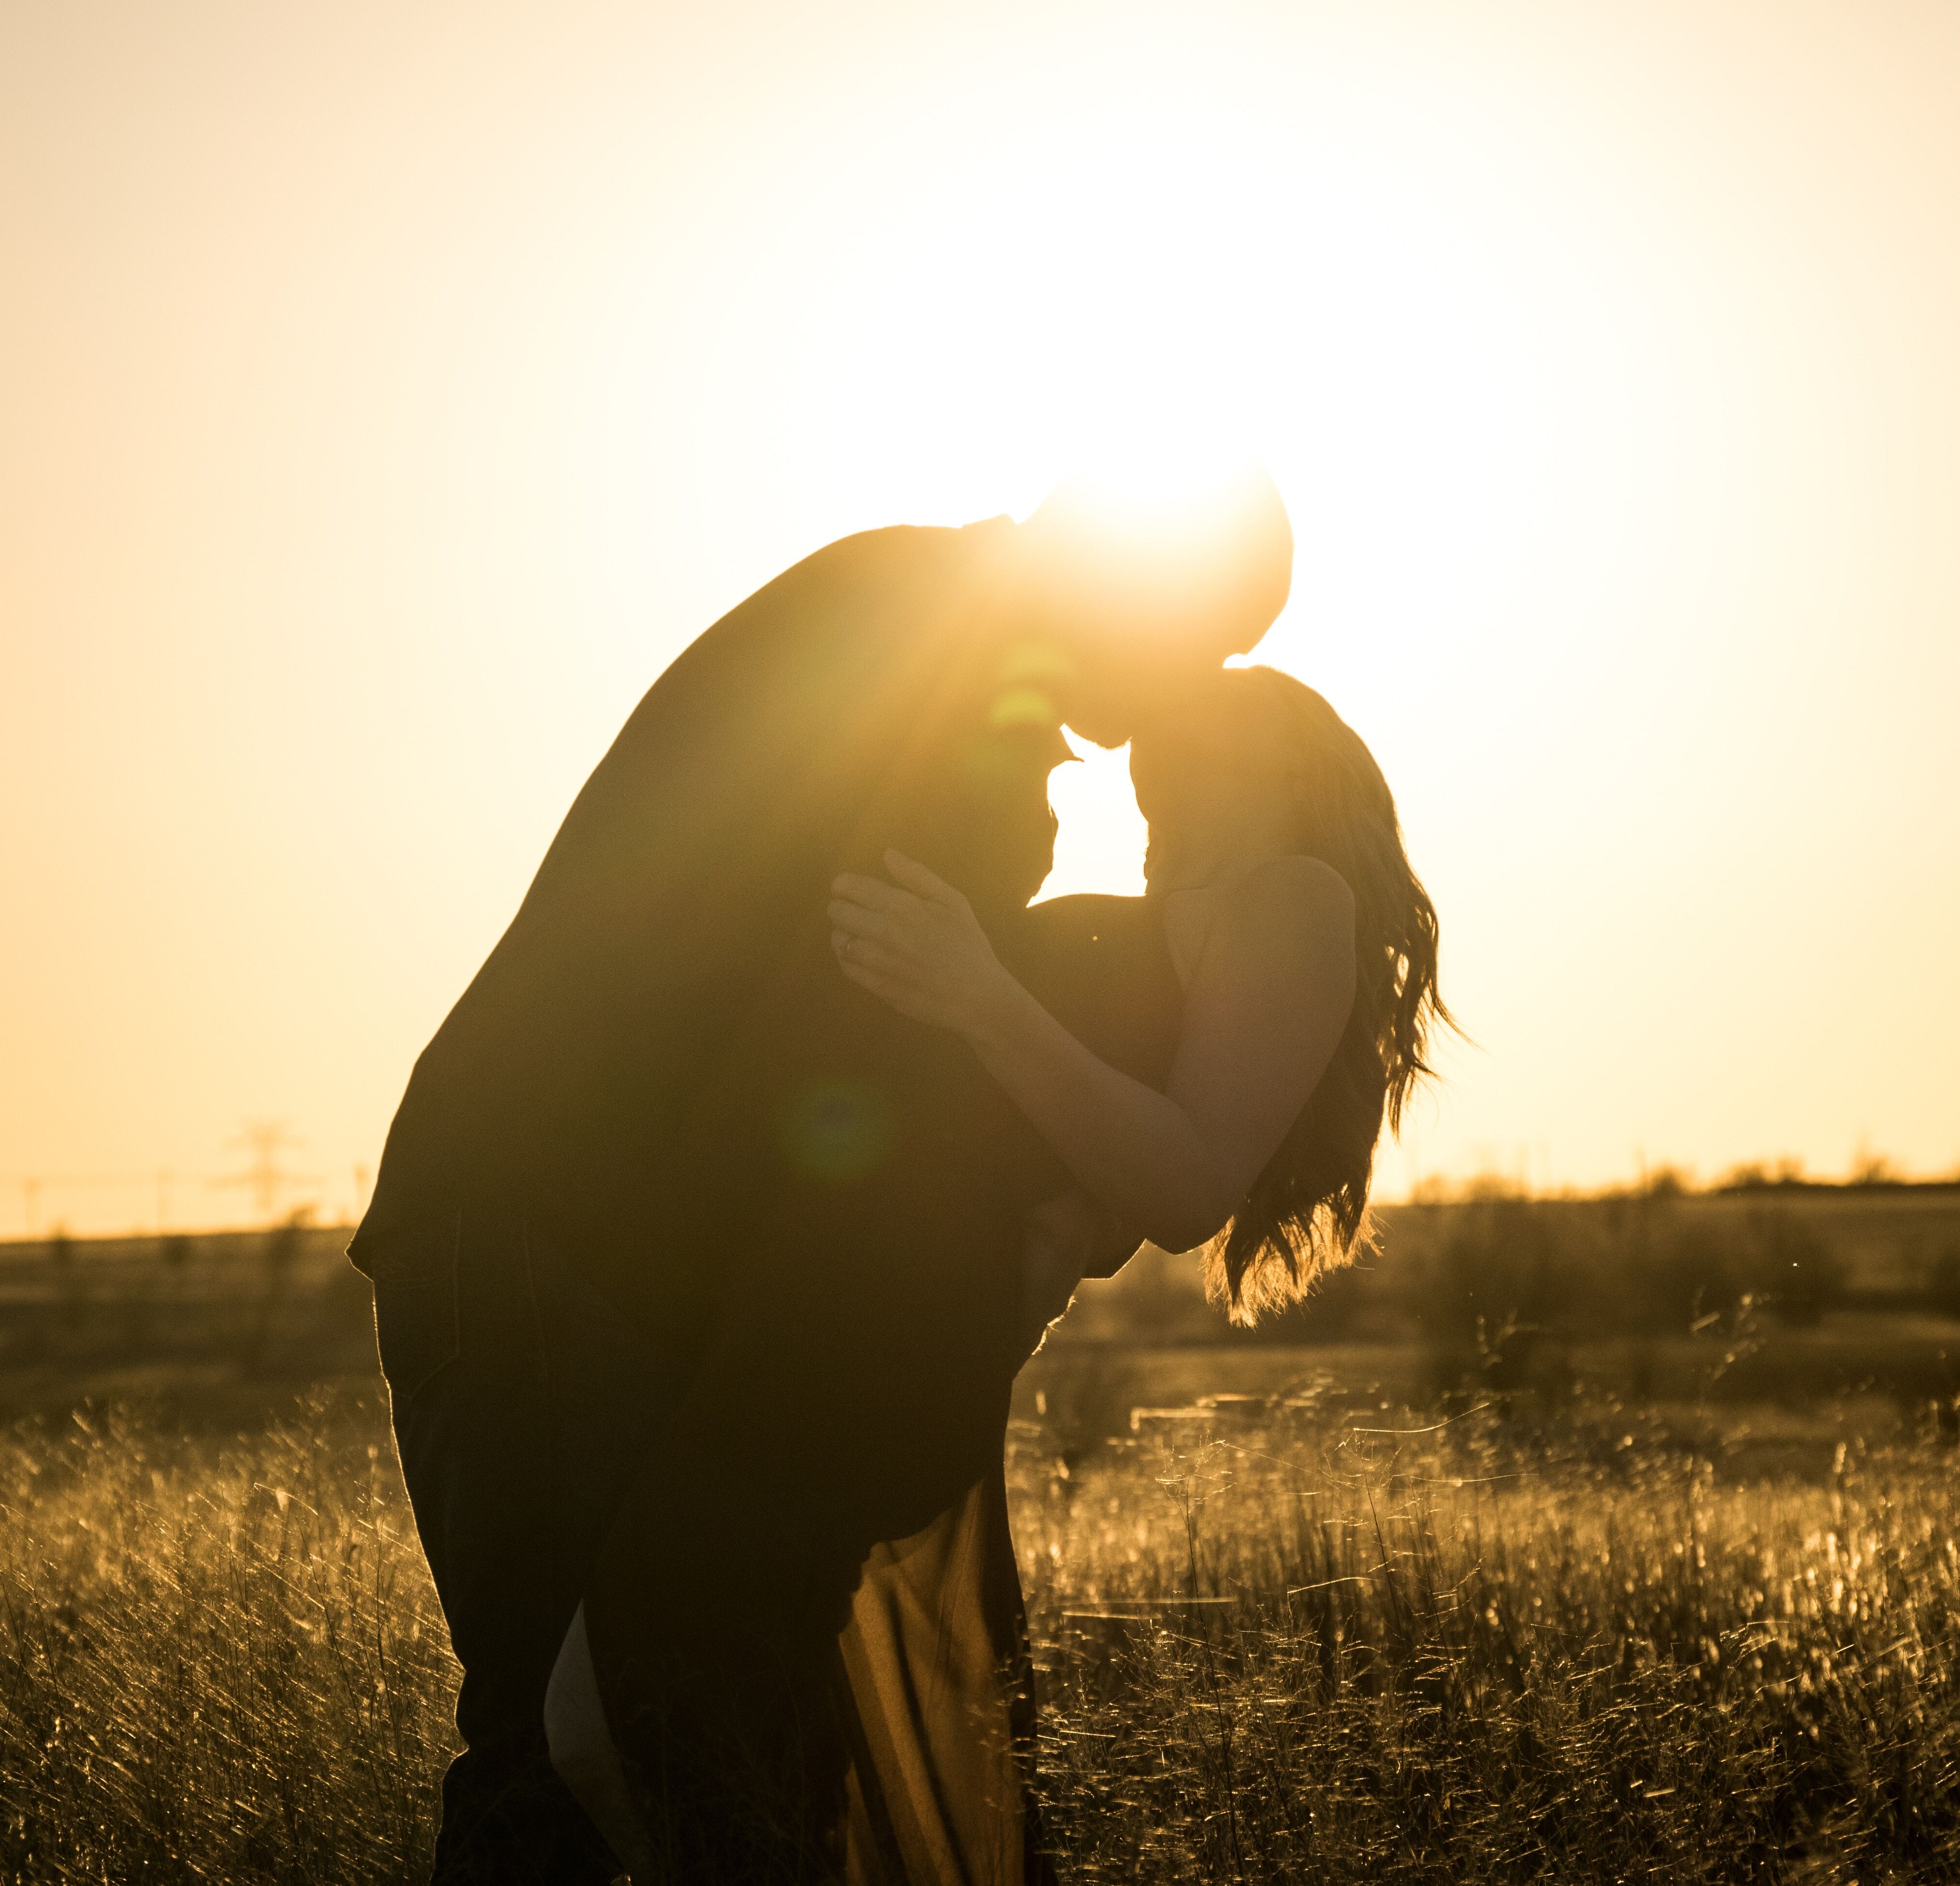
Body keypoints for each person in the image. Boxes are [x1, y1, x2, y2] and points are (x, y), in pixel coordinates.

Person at [349, 468, 1293, 1883]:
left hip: (586, 1242)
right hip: (559, 1234)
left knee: (671, 1745)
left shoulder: (937, 637)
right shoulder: (924, 651)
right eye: (1203, 636)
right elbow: (866, 1041)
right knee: (573, 1760)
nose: (1191, 685)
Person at [560, 662, 1445, 1882]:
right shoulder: (1174, 902)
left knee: (640, 1699)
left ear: (1293, 760)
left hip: (868, 1351)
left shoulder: (1294, 894)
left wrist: (979, 993)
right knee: (672, 1713)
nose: (1188, 699)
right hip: (840, 1330)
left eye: (1229, 693)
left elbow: (1185, 1184)